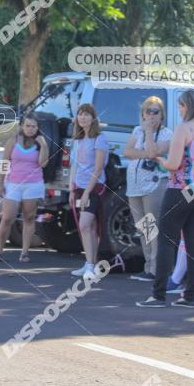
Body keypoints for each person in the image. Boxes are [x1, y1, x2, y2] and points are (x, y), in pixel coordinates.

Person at [137, 90, 194, 308]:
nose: (179, 109)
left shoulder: (184, 129)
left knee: (167, 241)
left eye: (180, 106)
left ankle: (157, 296)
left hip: (181, 189)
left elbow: (173, 164)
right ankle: (189, 295)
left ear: (186, 105)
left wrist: (159, 160)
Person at [124, 97, 172, 282]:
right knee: (143, 228)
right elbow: (127, 152)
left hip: (154, 184)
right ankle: (148, 266)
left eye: (155, 111)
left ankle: (156, 269)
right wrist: (146, 152)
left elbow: (153, 152)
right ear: (142, 114)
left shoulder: (168, 134)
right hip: (134, 186)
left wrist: (150, 133)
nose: (151, 115)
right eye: (148, 111)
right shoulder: (137, 130)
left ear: (162, 115)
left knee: (153, 227)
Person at [0, 113, 48, 264]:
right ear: (22, 126)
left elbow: (43, 164)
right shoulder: (13, 141)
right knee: (7, 217)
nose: (30, 129)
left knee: (29, 218)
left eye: (34, 126)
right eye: (28, 126)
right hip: (13, 183)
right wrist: (0, 184)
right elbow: (4, 162)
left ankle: (24, 253)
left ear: (38, 128)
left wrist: (43, 145)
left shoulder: (40, 143)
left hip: (33, 184)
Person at [68, 104, 109, 278]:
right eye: (80, 114)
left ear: (93, 118)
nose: (82, 117)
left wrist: (86, 193)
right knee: (87, 227)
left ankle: (91, 264)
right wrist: (72, 188)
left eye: (86, 114)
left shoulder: (100, 139)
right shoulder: (77, 139)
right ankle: (89, 263)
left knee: (86, 224)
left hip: (94, 188)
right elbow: (75, 164)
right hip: (79, 186)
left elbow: (98, 168)